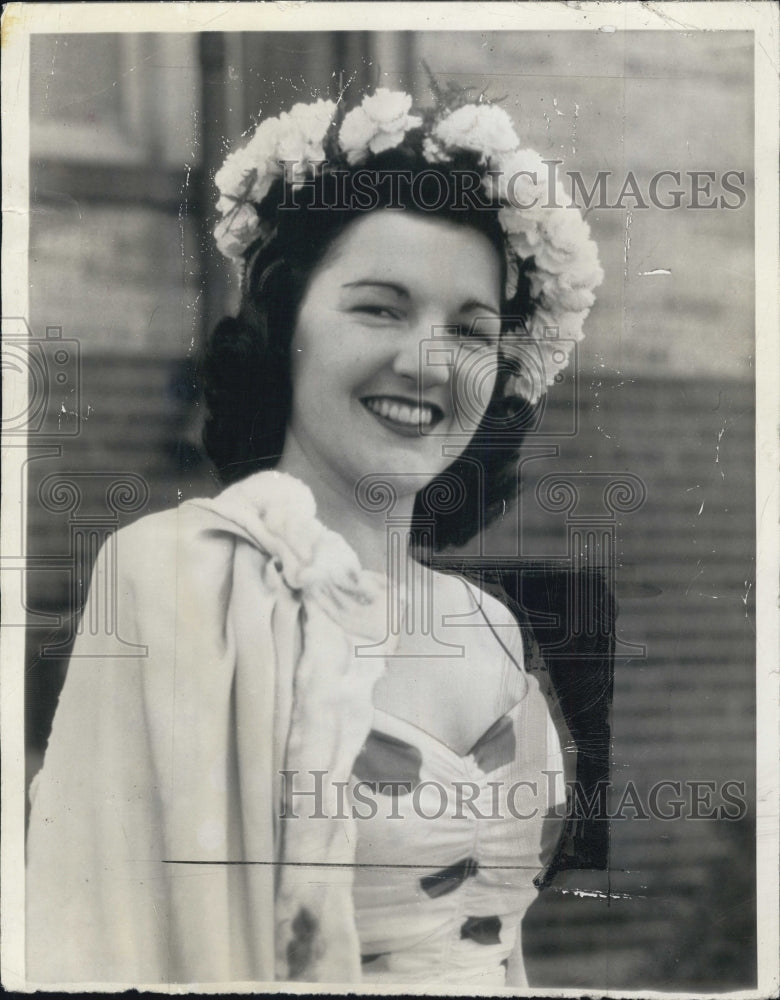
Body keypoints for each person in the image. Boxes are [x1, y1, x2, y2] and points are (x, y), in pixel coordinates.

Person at [26, 86, 603, 987]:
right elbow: (110, 931)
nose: (427, 363)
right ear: (284, 323)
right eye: (380, 308)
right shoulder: (178, 578)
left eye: (470, 330)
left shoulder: (489, 625)